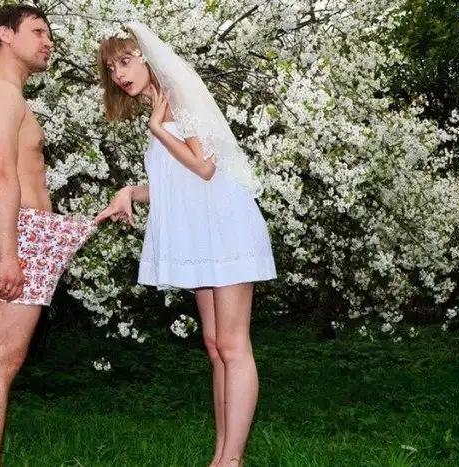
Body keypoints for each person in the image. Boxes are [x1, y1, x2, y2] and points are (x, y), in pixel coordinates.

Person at [95, 22, 276, 467]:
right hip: (202, 232)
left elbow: (205, 167)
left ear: (146, 57)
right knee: (215, 346)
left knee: (232, 345)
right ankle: (221, 456)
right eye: (111, 68)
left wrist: (158, 129)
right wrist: (129, 192)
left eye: (125, 61)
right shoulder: (163, 104)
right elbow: (176, 183)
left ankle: (231, 461)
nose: (119, 74)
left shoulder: (179, 99)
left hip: (226, 228)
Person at [0, 5, 95, 466]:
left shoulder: (7, 95)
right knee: (0, 363)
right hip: (17, 235)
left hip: (26, 233)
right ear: (6, 34)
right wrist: (10, 254)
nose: (48, 42)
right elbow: (2, 175)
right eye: (38, 32)